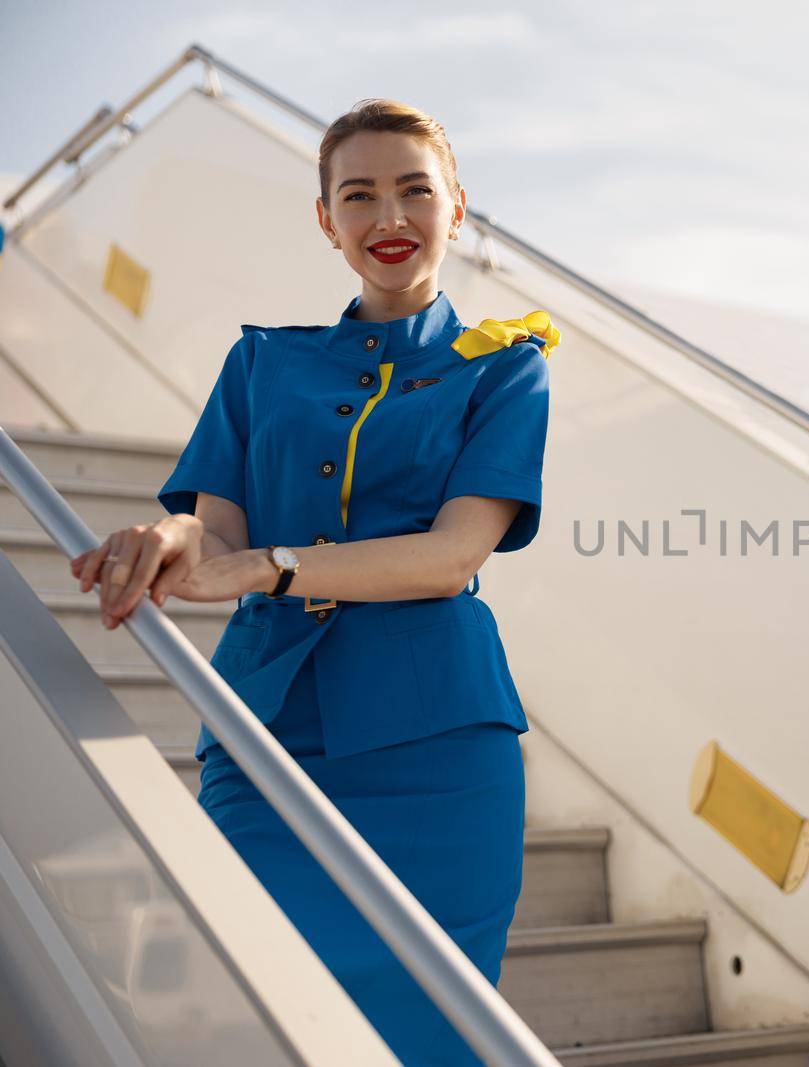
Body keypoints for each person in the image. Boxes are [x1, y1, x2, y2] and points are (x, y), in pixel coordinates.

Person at [68, 98, 559, 1065]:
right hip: (268, 734)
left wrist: (278, 566)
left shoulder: (506, 370)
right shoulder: (261, 362)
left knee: (433, 1034)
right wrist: (167, 534)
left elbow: (454, 552)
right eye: (359, 194)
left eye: (416, 191)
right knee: (233, 1010)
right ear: (326, 219)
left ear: (456, 208)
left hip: (442, 750)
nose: (390, 218)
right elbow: (214, 534)